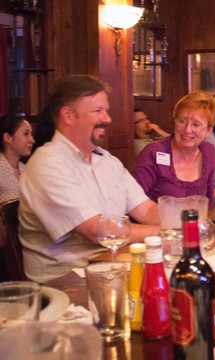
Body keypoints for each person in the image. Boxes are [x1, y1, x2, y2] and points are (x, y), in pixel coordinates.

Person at [19, 74, 161, 283]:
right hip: (66, 283)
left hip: (112, 267)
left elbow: (146, 209)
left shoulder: (107, 160)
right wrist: (163, 234)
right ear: (68, 115)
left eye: (106, 110)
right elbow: (98, 233)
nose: (107, 118)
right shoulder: (48, 164)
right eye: (97, 111)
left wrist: (183, 226)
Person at [132, 92, 215, 208]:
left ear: (208, 130)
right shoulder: (154, 152)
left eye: (196, 124)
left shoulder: (209, 151)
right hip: (157, 225)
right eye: (182, 121)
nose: (187, 130)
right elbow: (132, 200)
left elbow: (209, 201)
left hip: (195, 224)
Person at [0, 113, 34, 203]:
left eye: (31, 134)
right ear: (7, 138)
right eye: (26, 134)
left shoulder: (26, 169)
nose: (32, 140)